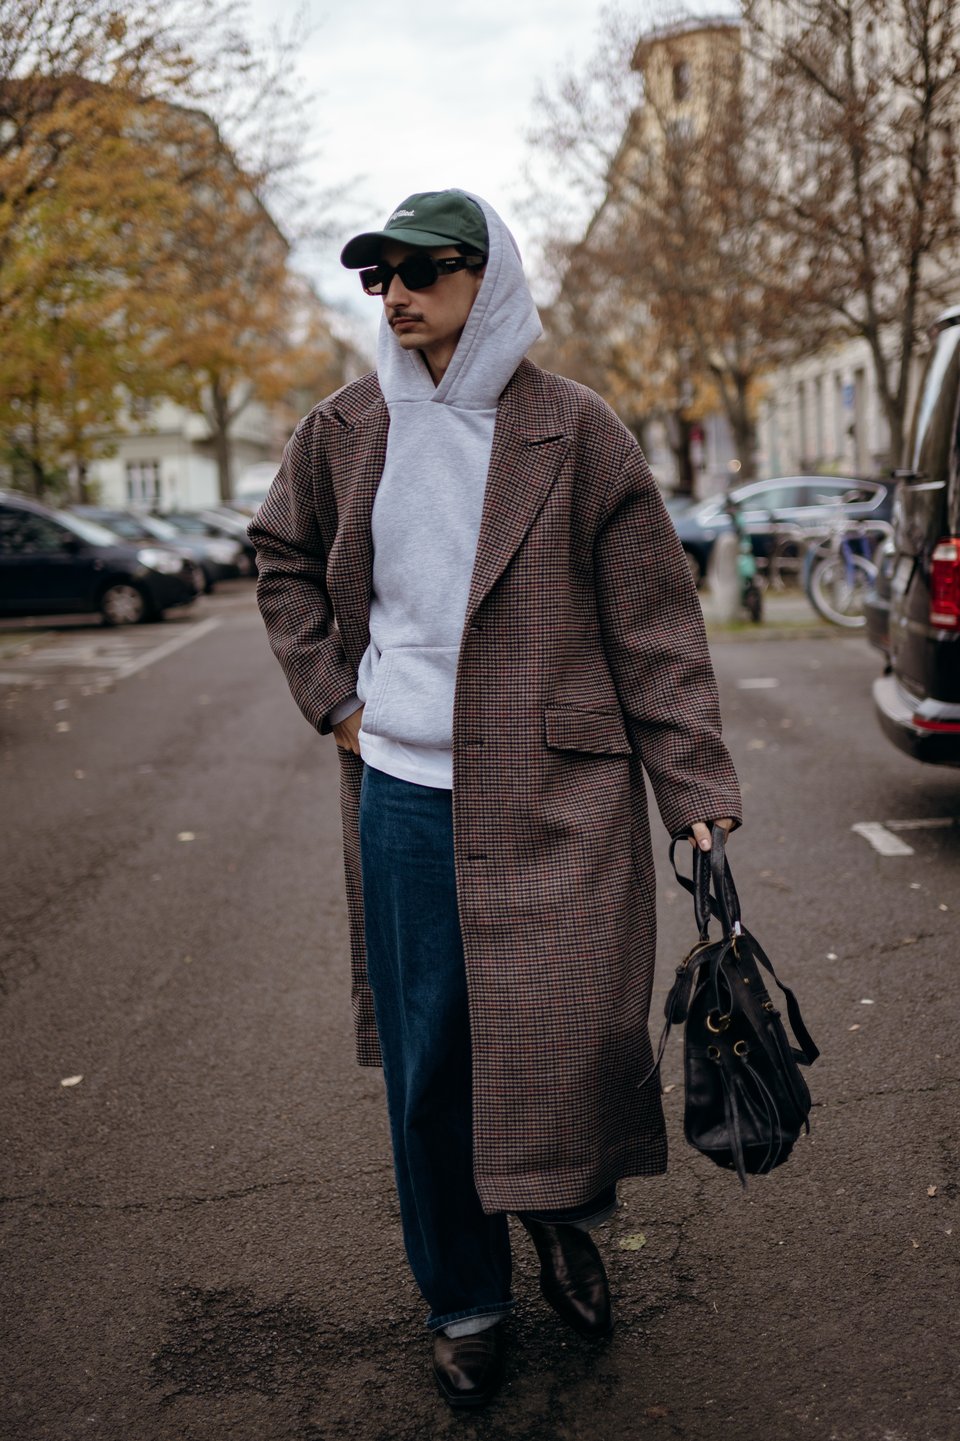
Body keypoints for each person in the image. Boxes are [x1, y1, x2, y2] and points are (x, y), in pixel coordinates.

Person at [247, 189, 741, 1409]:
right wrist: (336, 700)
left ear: (490, 276)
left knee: (573, 1037)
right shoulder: (344, 429)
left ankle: (564, 1216)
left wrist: (690, 782)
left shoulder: (578, 434)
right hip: (405, 790)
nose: (398, 291)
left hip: (559, 791)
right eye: (379, 275)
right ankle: (463, 1298)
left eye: (424, 268)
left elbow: (654, 625)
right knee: (435, 1062)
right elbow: (282, 558)